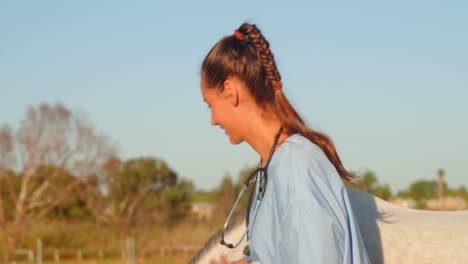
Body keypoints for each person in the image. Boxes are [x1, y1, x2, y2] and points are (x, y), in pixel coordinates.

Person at [200, 22, 370, 264]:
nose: (213, 121)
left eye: (210, 105)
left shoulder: (297, 169)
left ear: (230, 92)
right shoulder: (273, 166)